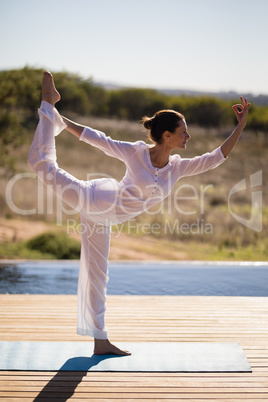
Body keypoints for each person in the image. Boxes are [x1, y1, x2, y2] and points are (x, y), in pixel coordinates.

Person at [28, 71, 250, 356]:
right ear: (167, 135)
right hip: (94, 198)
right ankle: (48, 103)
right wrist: (59, 118)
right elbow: (98, 139)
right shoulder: (136, 153)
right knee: (41, 165)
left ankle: (100, 341)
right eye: (184, 132)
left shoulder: (177, 167)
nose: (189, 136)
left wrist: (240, 126)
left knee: (98, 276)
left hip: (103, 218)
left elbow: (216, 157)